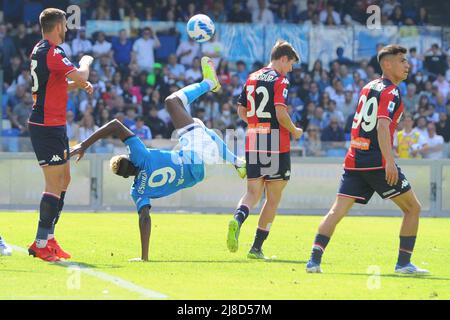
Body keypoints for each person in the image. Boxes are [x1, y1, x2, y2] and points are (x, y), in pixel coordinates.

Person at [70, 57, 246, 261]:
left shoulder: (137, 191)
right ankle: (209, 83)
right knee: (172, 102)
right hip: (191, 158)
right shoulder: (140, 156)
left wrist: (144, 257)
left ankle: (238, 163)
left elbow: (145, 218)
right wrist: (84, 144)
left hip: (194, 174)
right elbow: (115, 125)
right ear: (130, 158)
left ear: (126, 177)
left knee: (198, 125)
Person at [305, 45, 429, 275]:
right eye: (402, 61)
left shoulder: (367, 87)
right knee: (413, 208)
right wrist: (389, 161)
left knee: (337, 211)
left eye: (407, 61)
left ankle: (313, 261)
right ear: (387, 65)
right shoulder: (391, 91)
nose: (407, 65)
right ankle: (403, 264)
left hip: (355, 159)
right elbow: (382, 126)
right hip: (377, 161)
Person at [27, 8, 94, 262]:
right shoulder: (53, 52)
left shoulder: (40, 50)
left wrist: (78, 81)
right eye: (64, 26)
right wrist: (86, 62)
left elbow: (58, 83)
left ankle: (50, 238)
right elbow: (81, 73)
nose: (66, 30)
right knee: (54, 183)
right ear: (57, 27)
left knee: (64, 179)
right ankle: (40, 242)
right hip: (45, 126)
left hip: (54, 125)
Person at [227, 40, 302, 259]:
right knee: (273, 198)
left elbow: (241, 109)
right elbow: (280, 114)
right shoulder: (280, 80)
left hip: (254, 140)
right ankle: (256, 248)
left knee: (252, 193)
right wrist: (295, 130)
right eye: (290, 65)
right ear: (283, 59)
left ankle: (237, 219)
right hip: (277, 143)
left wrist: (255, 123)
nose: (290, 70)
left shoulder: (252, 77)